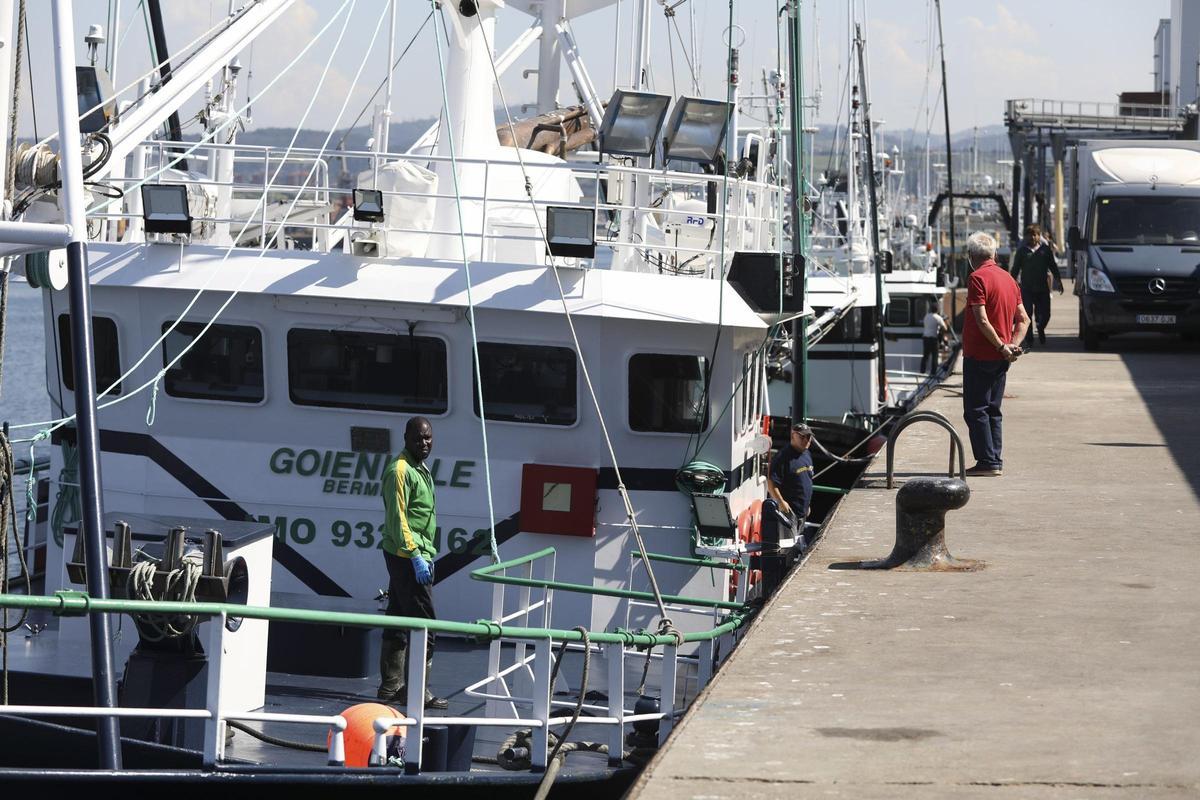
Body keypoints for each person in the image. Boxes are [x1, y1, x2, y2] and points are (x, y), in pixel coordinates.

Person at [377, 416, 448, 710]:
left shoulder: (421, 468)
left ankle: (391, 685)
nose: (425, 443)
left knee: (397, 615)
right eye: (419, 438)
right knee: (425, 624)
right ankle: (416, 690)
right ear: (405, 438)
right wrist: (416, 555)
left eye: (428, 438)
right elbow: (398, 519)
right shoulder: (400, 471)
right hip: (407, 556)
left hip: (416, 554)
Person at [962, 231, 1030, 477]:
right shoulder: (1009, 279)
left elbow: (981, 319)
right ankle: (994, 460)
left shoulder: (977, 278)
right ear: (993, 254)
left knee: (976, 410)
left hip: (980, 355)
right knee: (993, 409)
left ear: (971, 256)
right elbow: (1024, 319)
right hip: (1001, 358)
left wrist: (1002, 346)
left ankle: (987, 461)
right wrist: (1012, 344)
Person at [1008, 224, 1063, 348]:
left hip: (1043, 289)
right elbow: (1015, 269)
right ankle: (1029, 338)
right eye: (1030, 235)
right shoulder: (1022, 251)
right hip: (1026, 288)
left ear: (1039, 236)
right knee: (1026, 314)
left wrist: (1058, 281)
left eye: (1035, 234)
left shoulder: (1045, 250)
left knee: (1045, 314)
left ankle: (1041, 327)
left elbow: (1053, 266)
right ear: (1026, 237)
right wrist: (1010, 284)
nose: (1032, 237)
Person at [767, 423, 815, 527]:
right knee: (787, 542)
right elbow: (771, 483)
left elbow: (807, 479)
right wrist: (780, 502)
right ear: (793, 435)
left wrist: (807, 505)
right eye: (802, 436)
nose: (806, 440)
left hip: (802, 513)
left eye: (809, 436)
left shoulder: (807, 454)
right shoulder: (782, 457)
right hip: (788, 514)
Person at [921, 304, 948, 374]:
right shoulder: (938, 318)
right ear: (937, 310)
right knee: (934, 356)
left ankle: (922, 371)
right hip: (933, 339)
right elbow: (945, 328)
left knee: (925, 356)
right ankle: (933, 373)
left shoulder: (926, 316)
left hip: (925, 338)